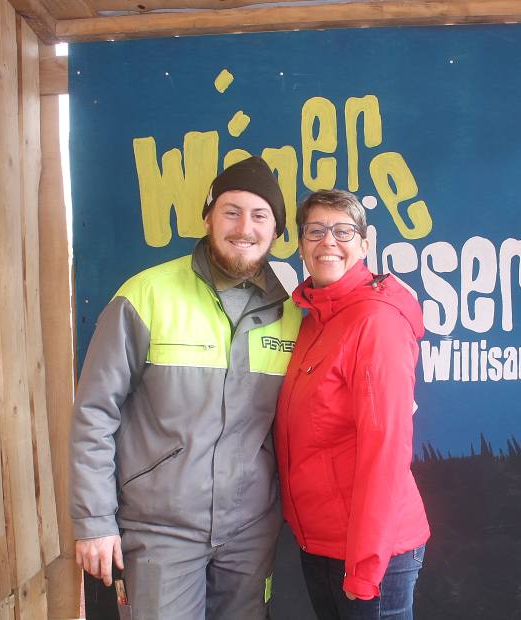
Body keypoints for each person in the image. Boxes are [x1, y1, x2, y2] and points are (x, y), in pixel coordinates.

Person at [70, 156, 301, 619]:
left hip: (250, 533)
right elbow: (94, 411)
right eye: (231, 212)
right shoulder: (146, 295)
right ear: (208, 217)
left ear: (276, 232)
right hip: (160, 530)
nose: (245, 228)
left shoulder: (292, 315)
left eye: (260, 216)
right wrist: (94, 519)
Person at [275, 189, 430, 619]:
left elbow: (386, 449)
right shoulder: (313, 321)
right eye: (315, 231)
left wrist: (365, 564)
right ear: (301, 246)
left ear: (363, 245)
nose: (328, 240)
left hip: (372, 552)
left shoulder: (376, 321)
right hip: (320, 542)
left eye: (343, 231)